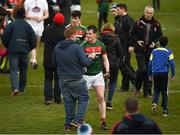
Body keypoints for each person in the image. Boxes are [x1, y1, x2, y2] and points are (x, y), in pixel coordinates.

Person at [53, 26, 95, 131]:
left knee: (68, 101)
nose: (77, 36)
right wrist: (90, 57)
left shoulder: (57, 47)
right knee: (84, 98)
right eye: (76, 35)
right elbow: (85, 63)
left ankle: (67, 125)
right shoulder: (76, 47)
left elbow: (54, 63)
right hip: (76, 79)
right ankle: (78, 120)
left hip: (62, 80)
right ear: (72, 36)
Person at [2, 5, 36, 96]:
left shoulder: (11, 25)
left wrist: (8, 46)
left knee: (13, 69)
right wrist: (29, 48)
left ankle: (15, 88)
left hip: (13, 50)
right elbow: (33, 39)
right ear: (24, 15)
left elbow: (5, 37)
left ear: (15, 14)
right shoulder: (28, 26)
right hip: (24, 51)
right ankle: (21, 89)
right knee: (23, 70)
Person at [130, 5, 163, 98]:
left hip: (151, 51)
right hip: (140, 50)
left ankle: (147, 92)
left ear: (153, 13)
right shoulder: (138, 23)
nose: (149, 14)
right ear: (144, 12)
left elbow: (160, 36)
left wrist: (154, 42)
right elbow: (131, 34)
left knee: (149, 71)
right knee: (142, 69)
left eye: (151, 13)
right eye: (147, 12)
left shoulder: (157, 24)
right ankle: (137, 87)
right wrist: (137, 41)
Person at [81, 25, 110, 130]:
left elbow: (105, 59)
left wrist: (107, 70)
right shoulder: (83, 46)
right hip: (86, 76)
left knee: (101, 97)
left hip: (98, 75)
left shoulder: (101, 45)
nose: (87, 35)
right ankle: (80, 120)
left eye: (89, 33)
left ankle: (103, 121)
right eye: (87, 33)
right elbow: (80, 61)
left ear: (95, 34)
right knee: (84, 99)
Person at [148, 36, 175, 116]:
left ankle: (154, 103)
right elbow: (172, 64)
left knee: (156, 90)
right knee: (164, 91)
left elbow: (149, 63)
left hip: (155, 73)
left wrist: (149, 74)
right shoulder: (169, 52)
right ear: (166, 43)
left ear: (159, 42)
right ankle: (165, 110)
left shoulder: (154, 51)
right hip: (164, 73)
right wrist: (173, 74)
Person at [42, 13, 65, 105]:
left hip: (48, 58)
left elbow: (42, 39)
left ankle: (48, 98)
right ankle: (57, 98)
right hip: (59, 59)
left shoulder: (47, 29)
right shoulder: (63, 31)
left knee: (48, 79)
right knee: (58, 79)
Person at [98, 23, 122, 110]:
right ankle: (109, 102)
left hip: (102, 63)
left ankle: (102, 101)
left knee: (102, 82)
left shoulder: (99, 39)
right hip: (113, 63)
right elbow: (120, 52)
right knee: (113, 81)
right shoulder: (116, 38)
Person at [115, 3, 136, 92]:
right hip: (120, 46)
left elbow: (133, 33)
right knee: (123, 65)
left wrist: (131, 45)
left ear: (123, 9)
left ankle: (136, 82)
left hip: (126, 46)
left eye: (118, 9)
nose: (117, 11)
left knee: (124, 65)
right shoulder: (119, 19)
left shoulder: (128, 20)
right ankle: (125, 86)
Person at [24, 0, 49, 69]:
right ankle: (33, 60)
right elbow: (25, 14)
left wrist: (41, 18)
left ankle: (33, 59)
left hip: (40, 25)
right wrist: (32, 17)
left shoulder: (44, 1)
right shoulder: (27, 1)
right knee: (31, 42)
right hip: (30, 24)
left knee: (37, 43)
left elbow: (47, 14)